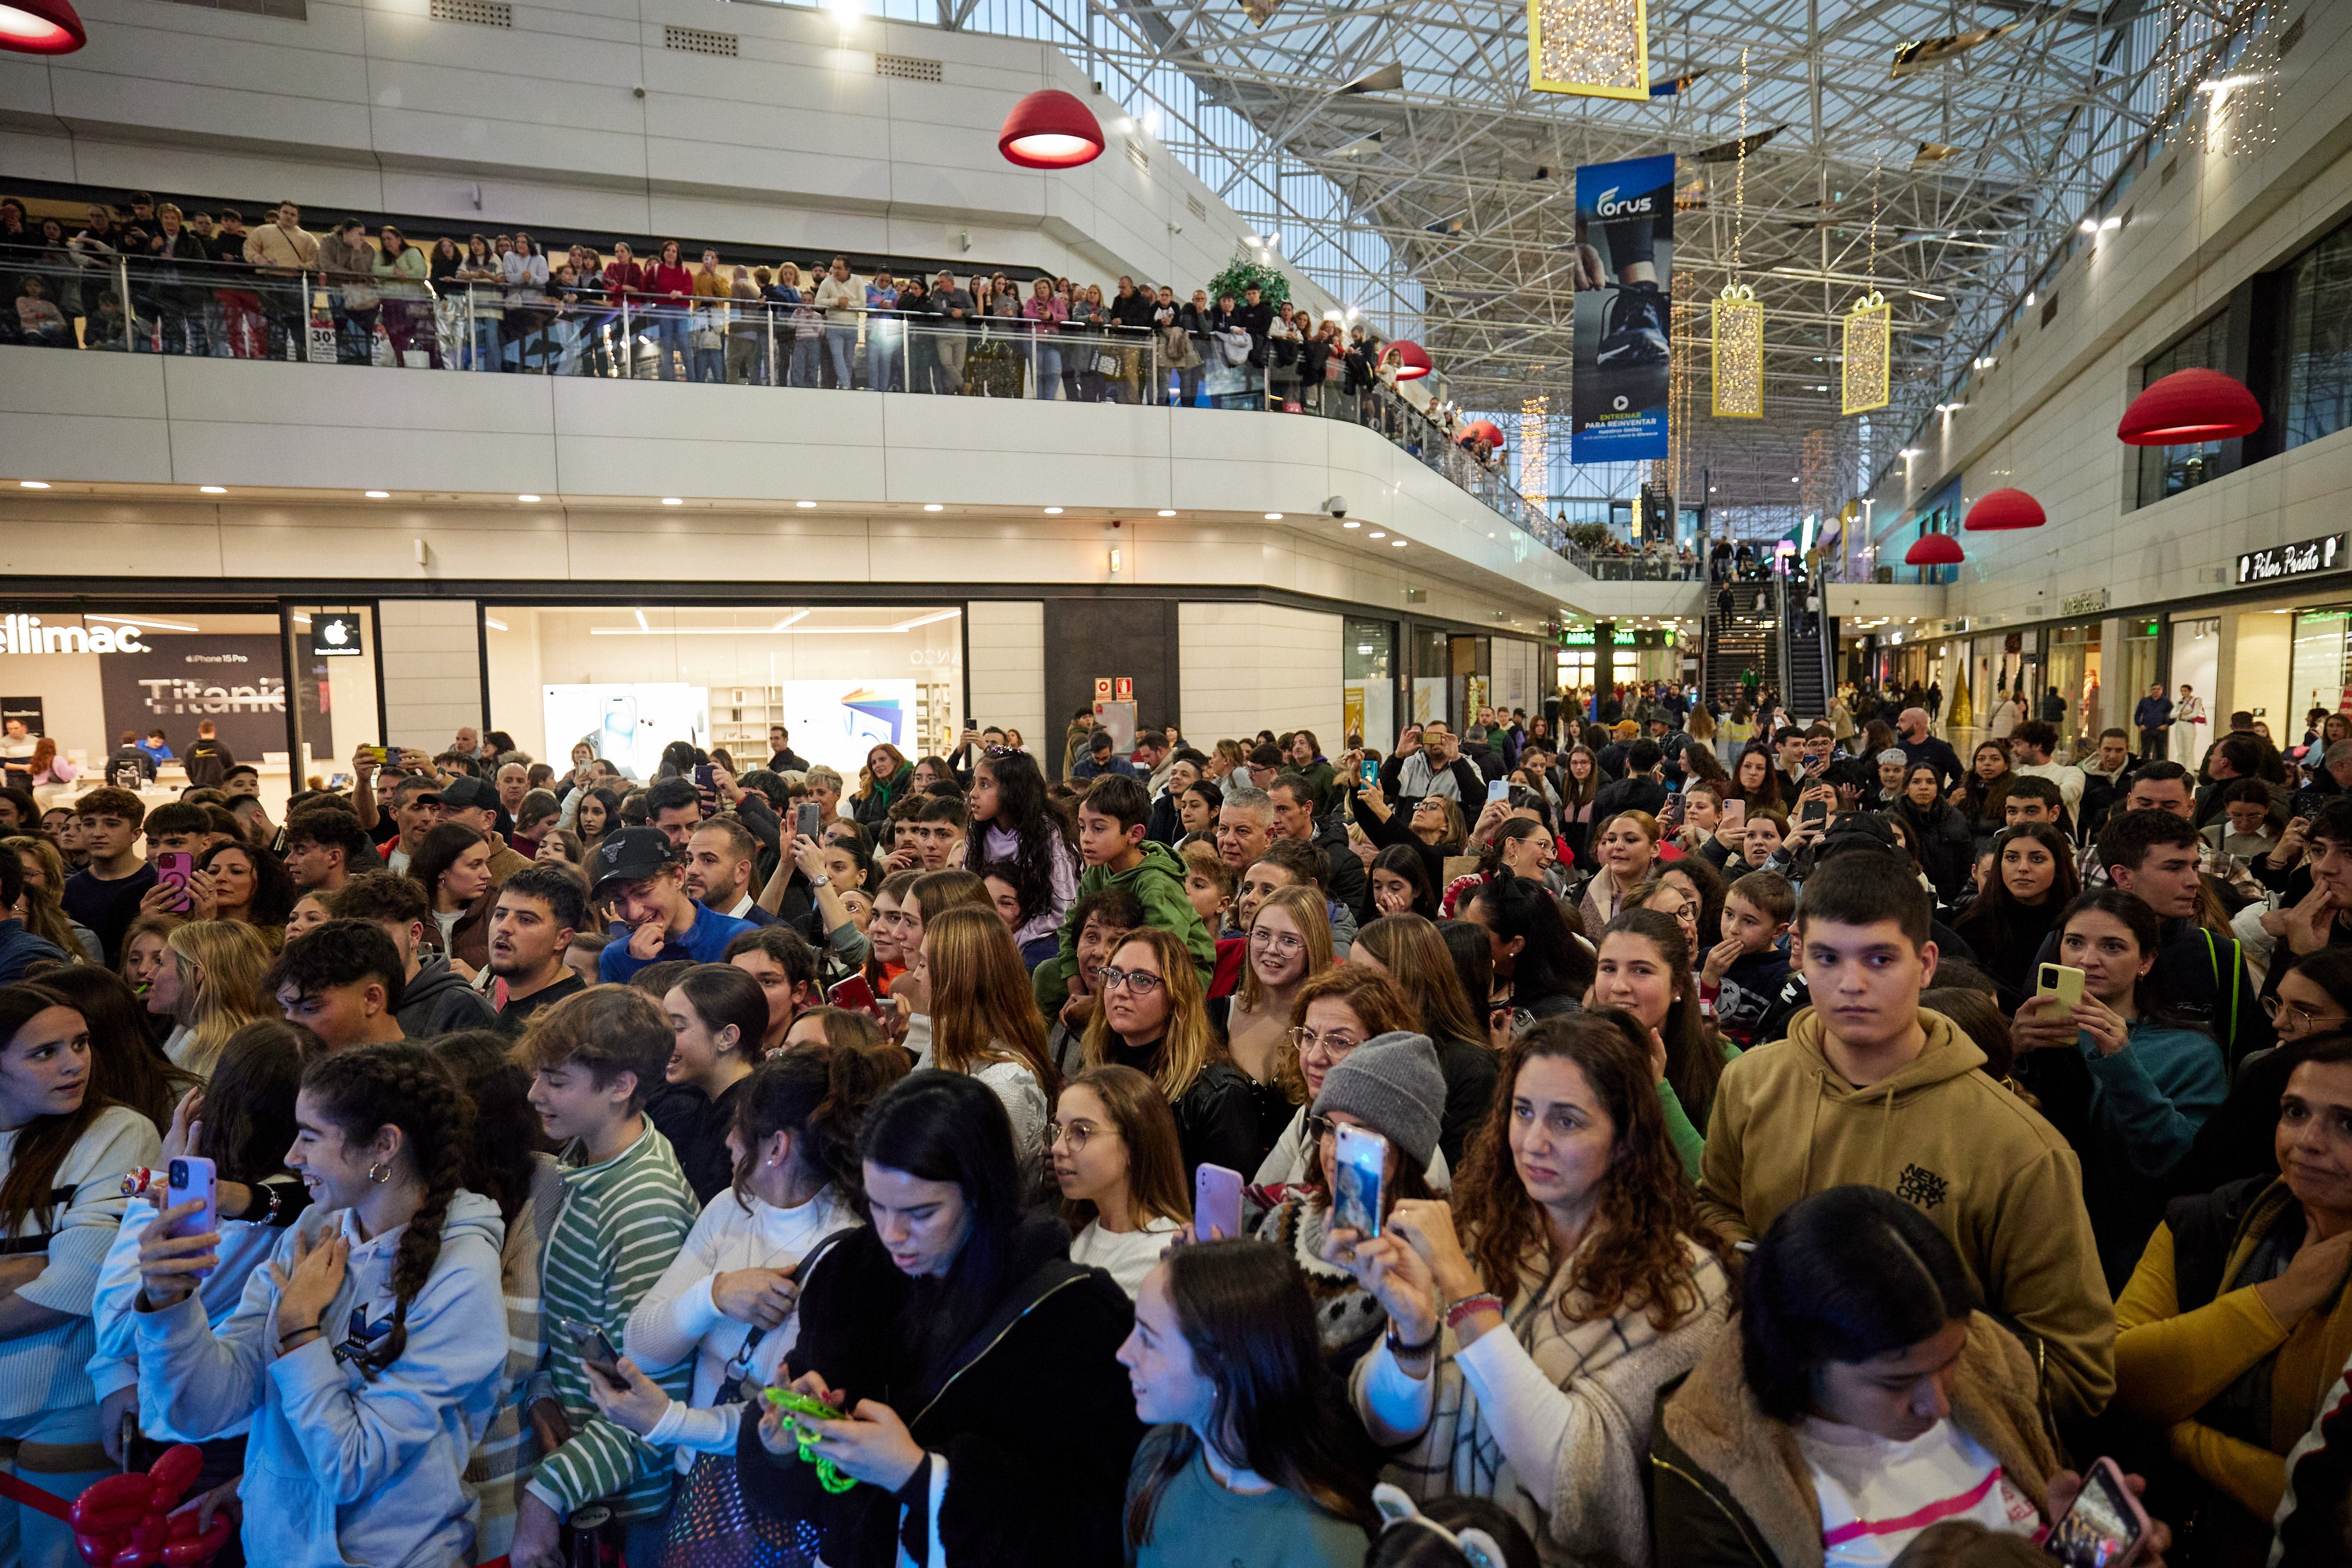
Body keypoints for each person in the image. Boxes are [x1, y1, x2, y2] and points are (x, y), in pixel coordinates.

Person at [1693, 854, 2116, 1424]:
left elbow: (2077, 1369)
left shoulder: (2019, 1147)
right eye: (1826, 957)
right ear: (1799, 955)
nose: (1850, 984)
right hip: (1772, 1412)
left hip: (1931, 1443)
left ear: (1925, 964)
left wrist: (1897, 1354)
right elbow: (1717, 1207)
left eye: (1879, 959)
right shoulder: (1750, 1081)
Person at [1335, 1014, 1735, 1566]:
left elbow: (1581, 1486)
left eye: (1567, 1121)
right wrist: (1412, 1334)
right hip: (1424, 1547)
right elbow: (1382, 1429)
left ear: (1624, 1138)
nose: (1534, 1142)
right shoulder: (1478, 1230)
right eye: (1523, 1112)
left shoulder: (1683, 1284)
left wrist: (1462, 1290)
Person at [739, 1069, 1144, 1565]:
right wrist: (783, 1446)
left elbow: (1092, 1528)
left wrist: (920, 1476)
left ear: (980, 1193)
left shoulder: (1074, 1315)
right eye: (878, 1206)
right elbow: (814, 1501)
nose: (893, 1234)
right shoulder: (848, 1276)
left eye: (922, 1212)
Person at [131, 1041, 506, 1568]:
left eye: (310, 1136)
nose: (291, 1156)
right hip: (273, 1552)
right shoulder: (313, 1229)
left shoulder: (462, 1275)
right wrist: (170, 1302)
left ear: (384, 1145)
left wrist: (298, 1331)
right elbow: (203, 1409)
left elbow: (350, 1466)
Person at [1648, 1187, 2147, 1568]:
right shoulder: (1721, 1465)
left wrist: (2067, 1553)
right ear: (1802, 1355)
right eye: (1896, 1383)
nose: (1938, 1405)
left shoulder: (1994, 1369)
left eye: (1951, 1360)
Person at [587, 1044, 904, 1565]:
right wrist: (715, 1293)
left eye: (740, 1127)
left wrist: (670, 1419)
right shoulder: (732, 1207)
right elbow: (642, 1344)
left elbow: (786, 1425)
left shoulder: (845, 1255)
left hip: (769, 1504)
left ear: (777, 1145)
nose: (729, 1141)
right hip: (693, 1481)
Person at [2109, 1032, 2352, 1557]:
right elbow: (2123, 1373)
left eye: (2348, 1123)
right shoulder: (2208, 1221)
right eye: (2294, 1111)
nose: (2307, 1140)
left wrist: (2183, 1434)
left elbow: (2332, 1504)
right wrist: (2284, 1296)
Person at [512, 985, 700, 1568]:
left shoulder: (642, 1204)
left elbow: (651, 1404)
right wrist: (545, 1391)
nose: (534, 1094)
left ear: (621, 1087)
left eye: (557, 1082)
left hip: (627, 1510)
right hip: (586, 1474)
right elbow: (579, 1325)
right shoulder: (586, 1156)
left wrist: (546, 1494)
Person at [0, 985, 163, 1568]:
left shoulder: (119, 1132)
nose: (73, 1063)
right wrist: (37, 1260)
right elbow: (58, 1271)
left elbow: (80, 1281)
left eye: (80, 1043)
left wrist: (46, 1267)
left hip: (67, 1401)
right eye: (44, 1052)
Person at [2008, 890, 2229, 1290]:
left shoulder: (2190, 1051)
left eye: (2112, 946)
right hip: (2033, 1241)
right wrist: (2008, 1054)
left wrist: (2122, 1064)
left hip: (2133, 1256)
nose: (2087, 959)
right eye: (2074, 942)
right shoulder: (2033, 1033)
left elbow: (2184, 1165)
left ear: (2146, 961)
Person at [1119, 1239, 1380, 1567]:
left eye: (1148, 1340)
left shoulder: (1326, 1547)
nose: (1124, 1354)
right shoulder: (1159, 1456)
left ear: (1222, 1364)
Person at [1255, 1032, 1447, 1372]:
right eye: (1330, 1129)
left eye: (1358, 1136)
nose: (1334, 1152)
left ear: (1405, 1150)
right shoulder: (1284, 1222)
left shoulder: (1427, 1257)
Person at [1082, 925, 1263, 1180]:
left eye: (1142, 980)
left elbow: (1226, 1210)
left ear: (1175, 998)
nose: (1120, 991)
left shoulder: (1219, 1094)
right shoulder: (1095, 1062)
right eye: (1114, 975)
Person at [1034, 775, 1212, 1014]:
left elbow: (1161, 955)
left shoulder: (1156, 882)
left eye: (1098, 829)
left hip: (1177, 974)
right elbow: (1071, 929)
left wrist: (1099, 1004)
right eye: (1082, 827)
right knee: (1047, 974)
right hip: (1115, 966)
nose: (1086, 838)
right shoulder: (1098, 870)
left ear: (1134, 834)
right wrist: (1076, 988)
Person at [1589, 910, 1739, 1181]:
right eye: (1608, 968)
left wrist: (1657, 1089)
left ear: (1677, 987)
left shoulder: (1724, 1064)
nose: (1619, 986)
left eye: (1641, 970)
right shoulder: (1574, 1054)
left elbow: (1715, 1187)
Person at [1348, 914, 1499, 1169]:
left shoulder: (1472, 1069)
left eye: (1368, 981)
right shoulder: (1358, 1045)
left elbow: (1464, 1180)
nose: (1351, 992)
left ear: (1410, 979)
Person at [1053, 1063, 1189, 1295]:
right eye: (1057, 1131)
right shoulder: (1081, 1231)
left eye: (1081, 1132)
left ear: (1133, 1146)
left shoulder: (1159, 1255)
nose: (1057, 1149)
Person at [320, 872, 500, 1041]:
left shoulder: (462, 1009)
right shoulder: (341, 1002)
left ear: (415, 934)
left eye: (377, 934)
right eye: (351, 937)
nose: (361, 946)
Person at [658, 962, 768, 1203]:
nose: (662, 1039)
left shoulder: (751, 1121)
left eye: (677, 1027)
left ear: (727, 1037)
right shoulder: (706, 1100)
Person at [592, 827, 757, 983]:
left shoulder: (739, 939)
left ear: (677, 878)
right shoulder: (617, 957)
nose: (634, 914)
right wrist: (636, 966)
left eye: (644, 892)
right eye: (619, 900)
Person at [1951, 824, 2076, 1008]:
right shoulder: (1969, 924)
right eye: (2011, 858)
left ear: (2058, 866)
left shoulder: (2076, 926)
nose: (2022, 868)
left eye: (2037, 859)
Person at [1461, 871, 1593, 1028]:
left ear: (1515, 944)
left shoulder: (1559, 1016)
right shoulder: (1505, 980)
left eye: (1474, 930)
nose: (1465, 936)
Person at [145, 919, 275, 1076]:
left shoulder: (228, 1060)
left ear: (196, 975)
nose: (149, 975)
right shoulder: (186, 1035)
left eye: (160, 962)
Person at [485, 863, 587, 1035]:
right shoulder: (525, 1001)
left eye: (526, 919)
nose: (504, 927)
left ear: (561, 939)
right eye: (501, 915)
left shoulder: (565, 1026)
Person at [61, 787, 157, 967]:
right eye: (89, 824)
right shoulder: (70, 888)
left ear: (135, 834)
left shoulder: (154, 883)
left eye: (112, 824)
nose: (98, 833)